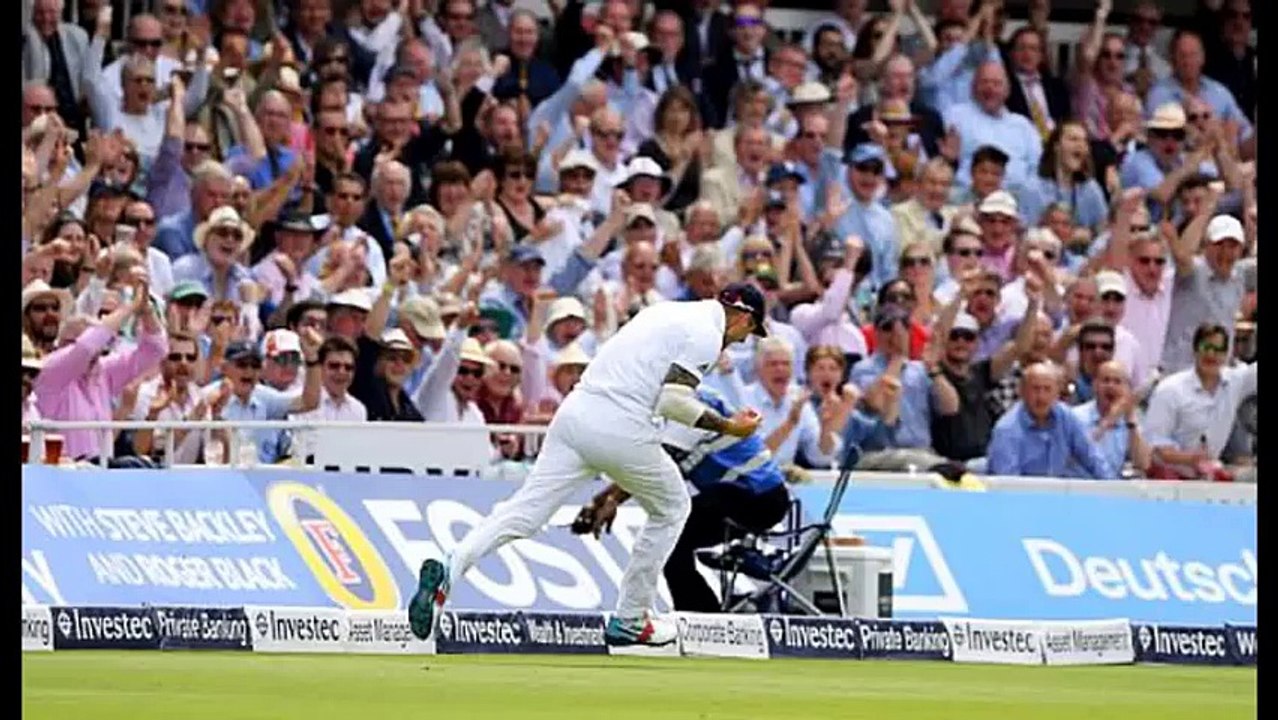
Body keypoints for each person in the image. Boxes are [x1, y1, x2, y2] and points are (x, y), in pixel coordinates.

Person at [408, 283, 769, 647]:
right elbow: (672, 402)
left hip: (575, 414)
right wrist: (729, 426)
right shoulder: (708, 333)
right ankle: (631, 618)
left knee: (524, 511)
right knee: (674, 508)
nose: (741, 340)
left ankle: (451, 567)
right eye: (749, 332)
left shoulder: (668, 310)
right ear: (743, 317)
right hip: (621, 423)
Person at [570, 385, 797, 612]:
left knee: (671, 535)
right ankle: (704, 613)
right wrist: (600, 500)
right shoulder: (673, 404)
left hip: (756, 496)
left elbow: (658, 464)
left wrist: (612, 501)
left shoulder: (688, 404)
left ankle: (702, 615)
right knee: (674, 541)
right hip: (751, 496)